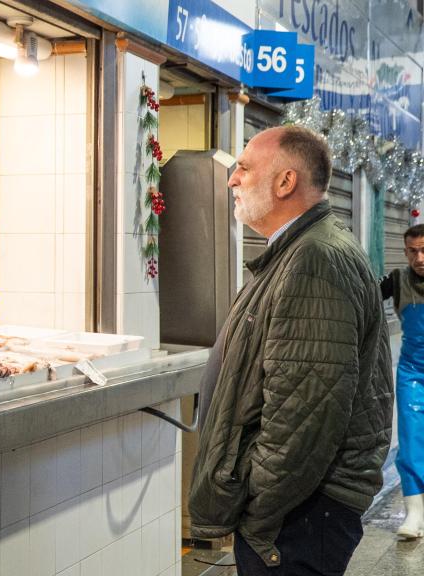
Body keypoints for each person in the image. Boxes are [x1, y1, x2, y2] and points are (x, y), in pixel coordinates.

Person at [189, 126, 393, 575]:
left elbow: (304, 419)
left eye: (243, 167)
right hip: (297, 511)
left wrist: (259, 512)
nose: (232, 179)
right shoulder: (298, 250)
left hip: (298, 515)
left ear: (285, 182)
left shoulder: (314, 260)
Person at [380, 224, 424, 540]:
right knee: (410, 443)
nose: (419, 258)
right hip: (413, 374)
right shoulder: (396, 281)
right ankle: (414, 513)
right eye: (412, 251)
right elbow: (360, 298)